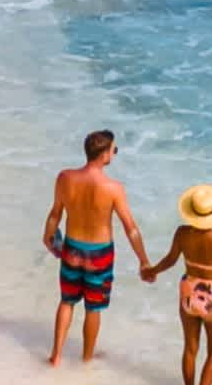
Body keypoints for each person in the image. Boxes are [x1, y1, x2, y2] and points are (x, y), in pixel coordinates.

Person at [40, 128, 146, 365]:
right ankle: (86, 358)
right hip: (99, 254)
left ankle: (55, 355)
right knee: (93, 308)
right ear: (104, 155)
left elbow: (55, 215)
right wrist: (143, 260)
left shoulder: (65, 178)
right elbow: (131, 228)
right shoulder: (113, 188)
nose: (114, 154)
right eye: (113, 150)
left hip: (71, 248)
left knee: (66, 301)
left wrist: (48, 236)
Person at [141, 184, 212, 385]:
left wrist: (152, 271)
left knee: (190, 347)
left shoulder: (182, 232)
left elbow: (170, 259)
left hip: (188, 290)